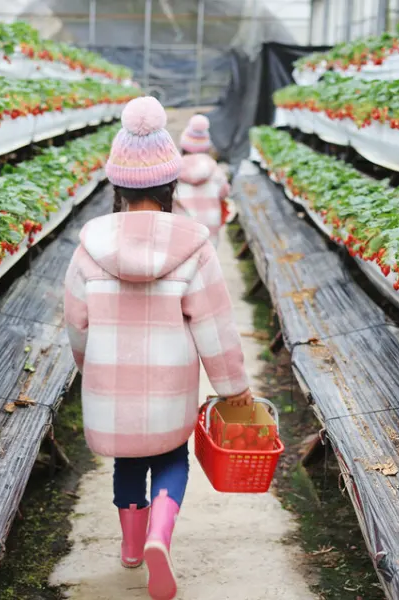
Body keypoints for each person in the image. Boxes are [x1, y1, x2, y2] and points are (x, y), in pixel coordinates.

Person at [63, 96, 253, 600]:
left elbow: (76, 325)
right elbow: (214, 325)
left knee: (128, 461)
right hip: (170, 384)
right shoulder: (193, 246)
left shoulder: (89, 250)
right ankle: (159, 539)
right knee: (171, 455)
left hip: (110, 384)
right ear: (168, 184)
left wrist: (89, 367)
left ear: (118, 185)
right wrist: (234, 387)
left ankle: (130, 548)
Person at [174, 115, 231, 247]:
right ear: (207, 147)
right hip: (208, 232)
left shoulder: (174, 170)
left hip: (183, 231)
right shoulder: (215, 169)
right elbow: (224, 192)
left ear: (183, 146)